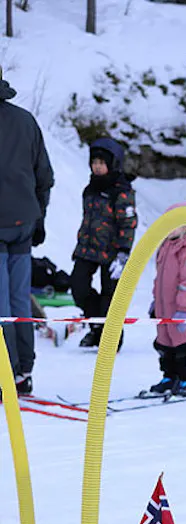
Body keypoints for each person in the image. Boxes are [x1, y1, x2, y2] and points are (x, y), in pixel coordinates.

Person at [0, 66, 55, 395]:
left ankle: (6, 373)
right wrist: (39, 218)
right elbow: (44, 177)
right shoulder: (26, 121)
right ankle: (23, 372)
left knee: (1, 307)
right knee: (19, 301)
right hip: (23, 222)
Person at [71, 137, 137, 350]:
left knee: (110, 297)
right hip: (87, 249)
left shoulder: (121, 191)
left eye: (102, 163)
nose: (97, 167)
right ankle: (96, 327)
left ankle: (110, 337)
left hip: (113, 252)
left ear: (112, 164)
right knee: (78, 287)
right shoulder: (90, 188)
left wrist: (123, 252)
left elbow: (128, 223)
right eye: (94, 162)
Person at [146, 213, 186, 398]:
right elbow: (160, 278)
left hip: (183, 308)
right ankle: (169, 376)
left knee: (185, 343)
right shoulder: (166, 246)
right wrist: (155, 301)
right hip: (164, 306)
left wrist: (185, 309)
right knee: (165, 342)